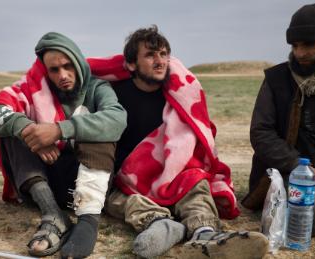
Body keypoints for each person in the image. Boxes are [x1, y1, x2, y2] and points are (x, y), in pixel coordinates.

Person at [102, 25, 268, 258]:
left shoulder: (179, 95)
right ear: (131, 64)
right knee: (119, 200)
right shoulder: (114, 95)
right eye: (150, 55)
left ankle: (205, 234)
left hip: (173, 175)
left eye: (163, 54)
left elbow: (197, 141)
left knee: (195, 181)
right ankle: (161, 225)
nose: (160, 61)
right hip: (128, 180)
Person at [0, 32, 127, 258]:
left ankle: (88, 222)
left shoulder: (97, 88)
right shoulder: (34, 89)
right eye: (54, 70)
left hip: (89, 186)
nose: (63, 75)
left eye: (68, 66)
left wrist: (59, 130)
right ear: (46, 71)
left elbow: (117, 119)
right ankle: (52, 214)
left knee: (99, 129)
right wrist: (30, 132)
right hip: (45, 182)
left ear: (78, 62)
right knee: (15, 128)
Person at [242, 3, 315, 235]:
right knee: (313, 218)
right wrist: (305, 171)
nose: (299, 53)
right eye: (295, 45)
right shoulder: (277, 80)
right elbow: (261, 134)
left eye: (309, 45)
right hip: (287, 172)